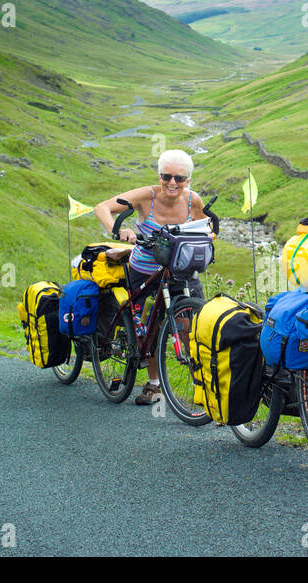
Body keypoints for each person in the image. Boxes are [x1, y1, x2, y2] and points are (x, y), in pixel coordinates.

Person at [92, 149, 209, 405]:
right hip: (143, 270)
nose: (172, 183)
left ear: (188, 180)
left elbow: (206, 227)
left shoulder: (194, 201)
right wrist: (119, 229)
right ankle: (154, 385)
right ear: (159, 175)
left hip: (180, 270)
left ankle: (202, 391)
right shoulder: (147, 196)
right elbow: (102, 207)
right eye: (167, 176)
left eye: (179, 178)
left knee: (193, 328)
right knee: (150, 328)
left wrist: (210, 236)